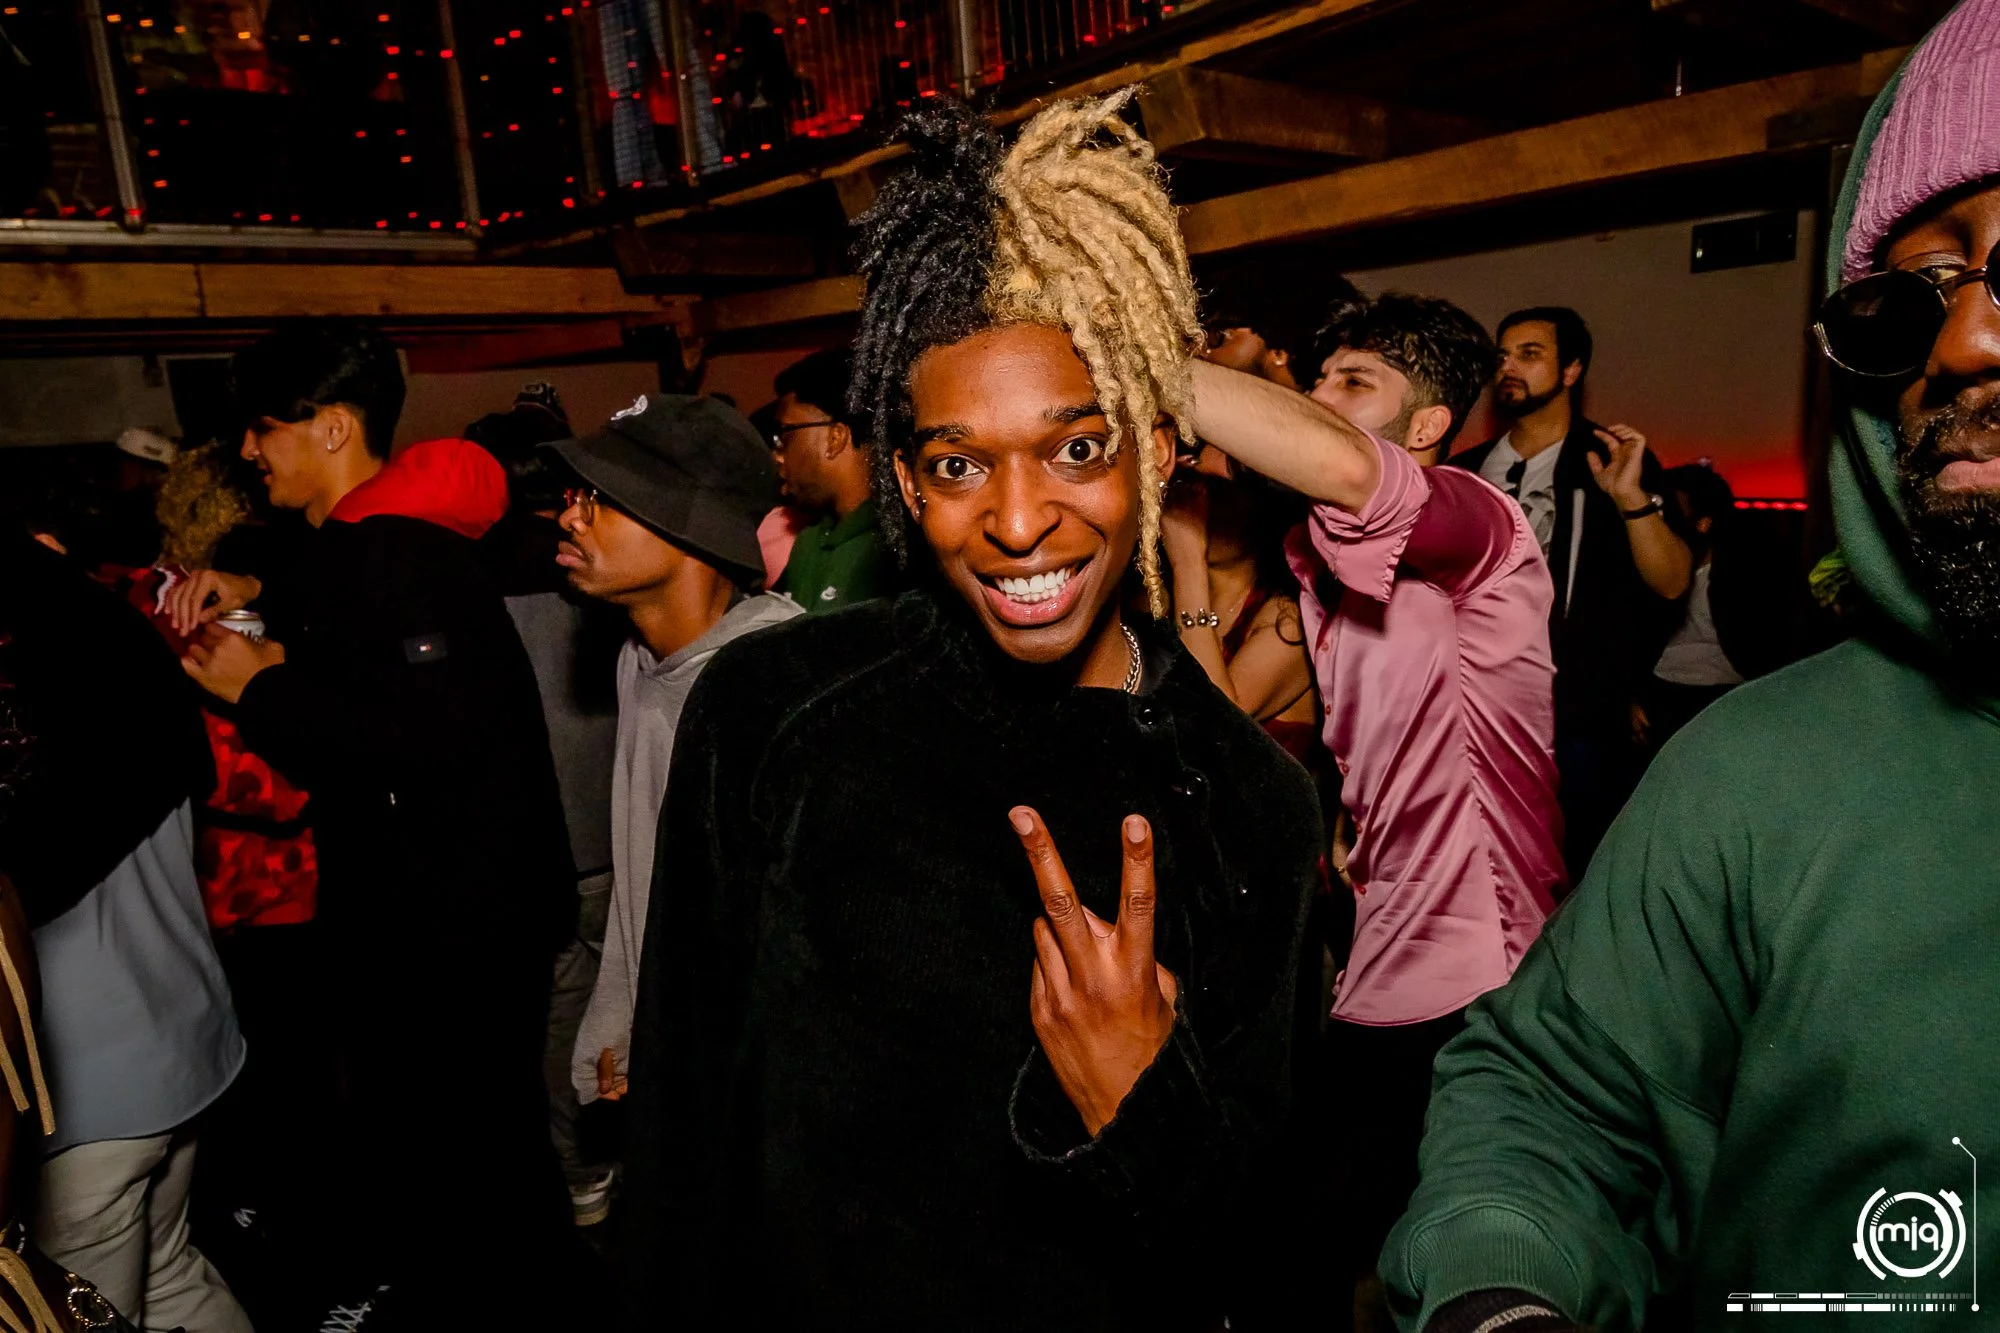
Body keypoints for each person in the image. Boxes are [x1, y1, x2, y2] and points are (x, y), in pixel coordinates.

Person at [621, 94, 1322, 1329]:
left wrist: (1136, 1099)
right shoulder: (774, 706)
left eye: (1075, 449)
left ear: (1157, 453)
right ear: (905, 481)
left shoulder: (1249, 799)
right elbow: (684, 1128)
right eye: (957, 464)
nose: (1015, 518)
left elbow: (1260, 1242)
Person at [1383, 5, 2000, 1328]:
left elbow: (1662, 592)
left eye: (1530, 352)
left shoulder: (1604, 475)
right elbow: (1563, 1099)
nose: (1964, 344)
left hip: (1592, 717)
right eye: (1917, 294)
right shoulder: (1757, 776)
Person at [168, 321, 578, 1323]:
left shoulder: (399, 553)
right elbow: (355, 637)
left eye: (266, 428)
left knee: (481, 1161)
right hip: (431, 919)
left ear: (334, 426)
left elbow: (430, 735)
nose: (250, 450)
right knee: (451, 1153)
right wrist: (260, 596)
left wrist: (259, 689)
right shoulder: (359, 543)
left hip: (458, 930)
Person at [1189, 289, 1564, 1331]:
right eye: (1318, 378)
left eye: (1354, 382)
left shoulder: (1476, 517)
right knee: (1326, 1248)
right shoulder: (1318, 558)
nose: (1320, 398)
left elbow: (1350, 467)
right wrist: (1362, 819)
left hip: (1476, 967)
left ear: (1429, 423)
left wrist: (1141, 359)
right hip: (1388, 939)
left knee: (1332, 1247)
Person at [1, 520, 249, 1333]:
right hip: (183, 1044)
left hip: (87, 1095)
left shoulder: (21, 696)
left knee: (86, 1315)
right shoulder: (117, 636)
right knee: (170, 1273)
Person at [559, 393, 803, 1109]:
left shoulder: (777, 680)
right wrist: (628, 1021)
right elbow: (644, 878)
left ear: (689, 525)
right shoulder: (638, 658)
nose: (570, 517)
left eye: (603, 498)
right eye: (576, 495)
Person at [1449, 307, 1690, 876]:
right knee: (1477, 869)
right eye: (1502, 355)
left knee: (1576, 872)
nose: (1508, 367)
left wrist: (1629, 497)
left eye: (1530, 354)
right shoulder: (1465, 471)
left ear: (1572, 370)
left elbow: (1672, 581)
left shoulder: (1608, 461)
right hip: (1470, 710)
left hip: (1576, 719)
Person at [467, 385, 627, 1229]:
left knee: (558, 1020)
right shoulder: (593, 567)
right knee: (604, 1016)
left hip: (530, 849)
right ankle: (593, 1169)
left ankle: (572, 1173)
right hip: (608, 837)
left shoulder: (466, 575)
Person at [770, 347, 901, 612]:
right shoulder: (809, 542)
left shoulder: (894, 551)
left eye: (786, 435)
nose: (778, 455)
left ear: (835, 438)